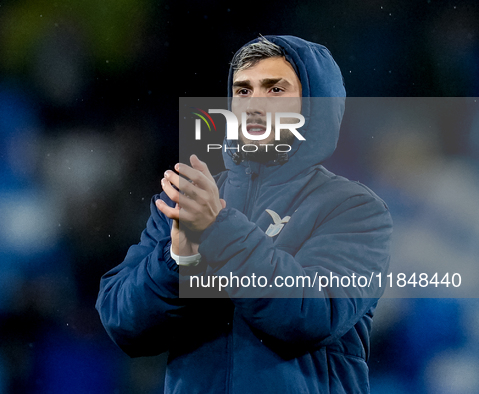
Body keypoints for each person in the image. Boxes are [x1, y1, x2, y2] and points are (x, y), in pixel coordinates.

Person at [96, 35, 392, 393]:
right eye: (243, 90)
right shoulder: (190, 197)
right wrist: (178, 261)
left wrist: (217, 228)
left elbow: (311, 315)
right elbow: (123, 324)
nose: (254, 104)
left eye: (274, 89)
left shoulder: (354, 209)